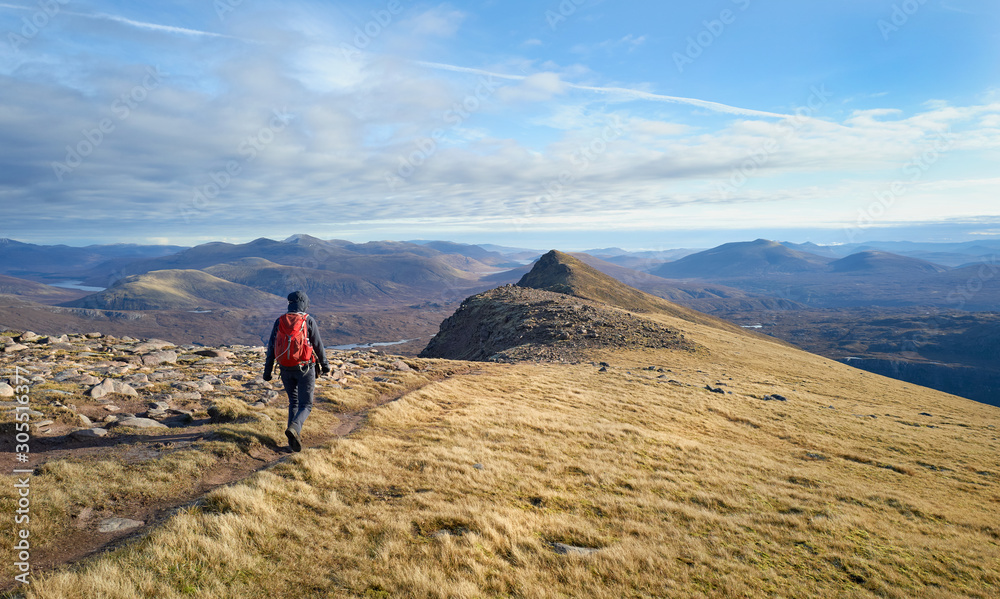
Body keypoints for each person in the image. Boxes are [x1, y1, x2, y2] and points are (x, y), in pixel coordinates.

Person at [263, 290, 330, 452]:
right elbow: (318, 345)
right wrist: (325, 365)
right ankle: (294, 428)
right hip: (305, 368)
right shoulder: (308, 320)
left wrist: (267, 370)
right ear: (305, 304)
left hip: (285, 368)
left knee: (293, 402)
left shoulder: (280, 321)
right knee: (306, 405)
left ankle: (292, 439)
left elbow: (271, 347)